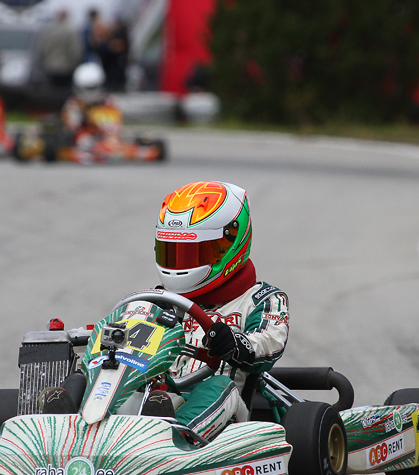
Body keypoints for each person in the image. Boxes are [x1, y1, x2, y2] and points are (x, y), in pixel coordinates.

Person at [146, 180, 290, 440]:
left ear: (230, 244)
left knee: (219, 386)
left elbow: (270, 342)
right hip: (158, 400)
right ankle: (77, 424)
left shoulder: (261, 299)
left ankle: (175, 440)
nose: (181, 264)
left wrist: (235, 344)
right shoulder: (157, 302)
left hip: (227, 419)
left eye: (195, 253)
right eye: (173, 253)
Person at [60, 61, 123, 162]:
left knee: (113, 142)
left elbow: (114, 128)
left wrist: (96, 119)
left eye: (92, 88)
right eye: (87, 88)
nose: (89, 93)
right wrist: (83, 117)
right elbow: (70, 128)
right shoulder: (73, 104)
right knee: (83, 139)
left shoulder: (108, 103)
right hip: (80, 142)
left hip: (104, 140)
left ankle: (105, 150)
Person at [39, 10, 82, 90]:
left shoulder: (50, 31)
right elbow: (74, 50)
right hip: (66, 68)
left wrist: (45, 62)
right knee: (64, 91)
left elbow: (45, 48)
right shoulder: (71, 31)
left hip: (51, 66)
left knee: (52, 90)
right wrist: (74, 64)